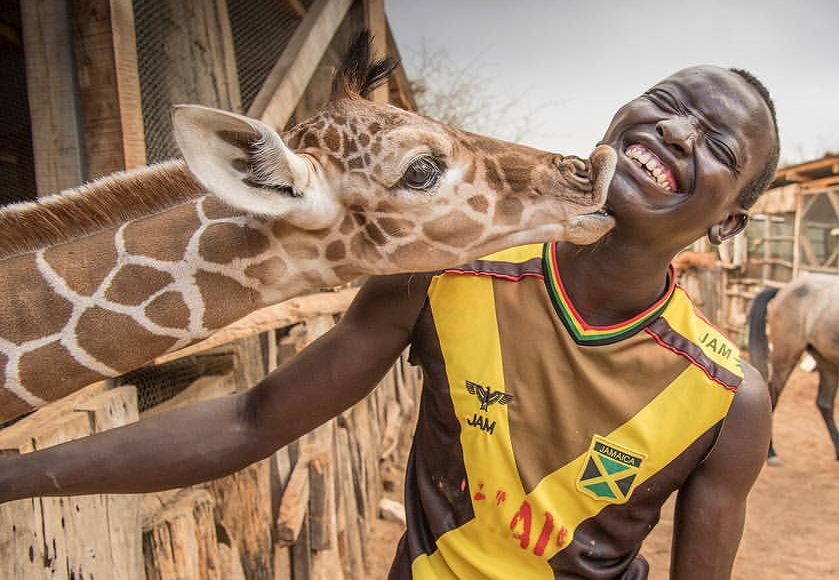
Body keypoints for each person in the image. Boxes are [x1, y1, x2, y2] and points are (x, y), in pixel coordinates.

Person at [0, 65, 779, 580]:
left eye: (717, 144)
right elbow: (252, 418)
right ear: (621, 116)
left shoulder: (725, 396)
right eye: (670, 104)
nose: (679, 131)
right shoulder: (443, 273)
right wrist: (14, 476)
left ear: (733, 220)